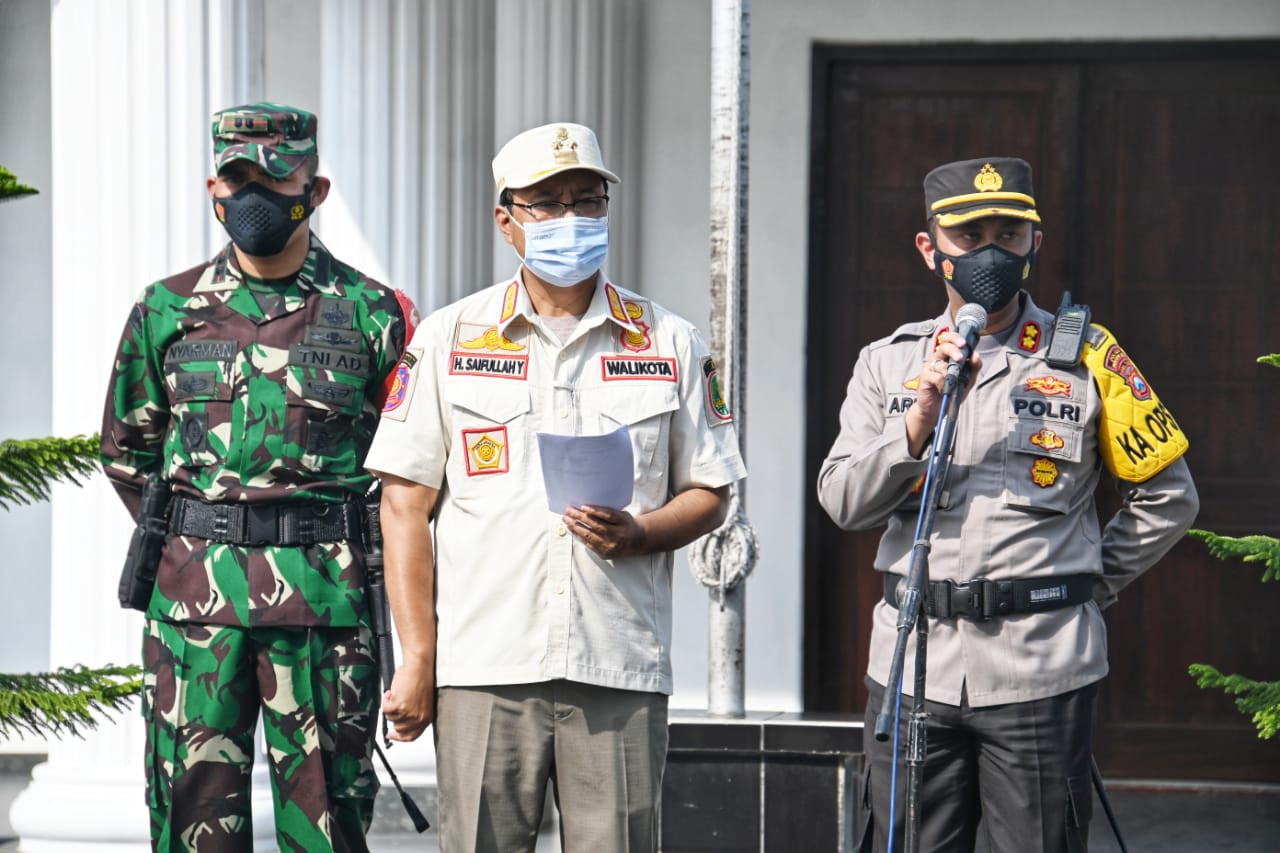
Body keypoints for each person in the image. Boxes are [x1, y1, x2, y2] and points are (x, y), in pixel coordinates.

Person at [365, 120, 747, 852]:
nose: (571, 218)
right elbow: (405, 506)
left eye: (586, 200)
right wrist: (418, 658)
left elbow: (711, 488)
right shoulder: (449, 338)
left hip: (617, 663)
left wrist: (644, 532)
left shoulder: (667, 340)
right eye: (546, 203)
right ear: (506, 221)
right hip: (483, 665)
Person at [816, 157, 1199, 852]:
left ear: (1035, 243)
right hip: (913, 665)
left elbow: (1169, 495)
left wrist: (1081, 584)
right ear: (930, 248)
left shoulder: (1089, 357)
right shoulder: (886, 362)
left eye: (1009, 232)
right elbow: (842, 500)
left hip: (1041, 666)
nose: (991, 251)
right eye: (970, 234)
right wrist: (916, 422)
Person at [100, 102, 416, 851]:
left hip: (324, 604)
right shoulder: (166, 309)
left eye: (276, 178)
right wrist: (206, 536)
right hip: (194, 614)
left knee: (328, 825)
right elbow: (126, 450)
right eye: (237, 179)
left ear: (317, 188)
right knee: (191, 820)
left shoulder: (375, 313)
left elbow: (409, 468)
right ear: (214, 187)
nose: (253, 198)